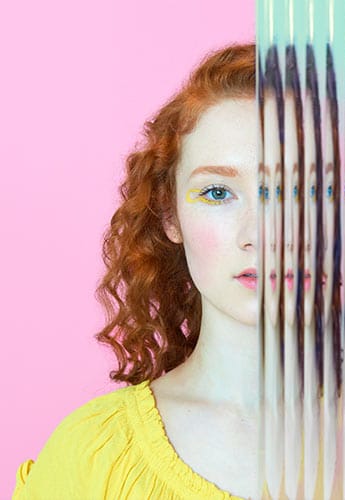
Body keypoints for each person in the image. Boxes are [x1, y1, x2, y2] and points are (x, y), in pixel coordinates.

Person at [13, 44, 259, 500]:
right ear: (170, 217)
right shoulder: (92, 457)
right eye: (219, 192)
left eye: (313, 189)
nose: (261, 234)